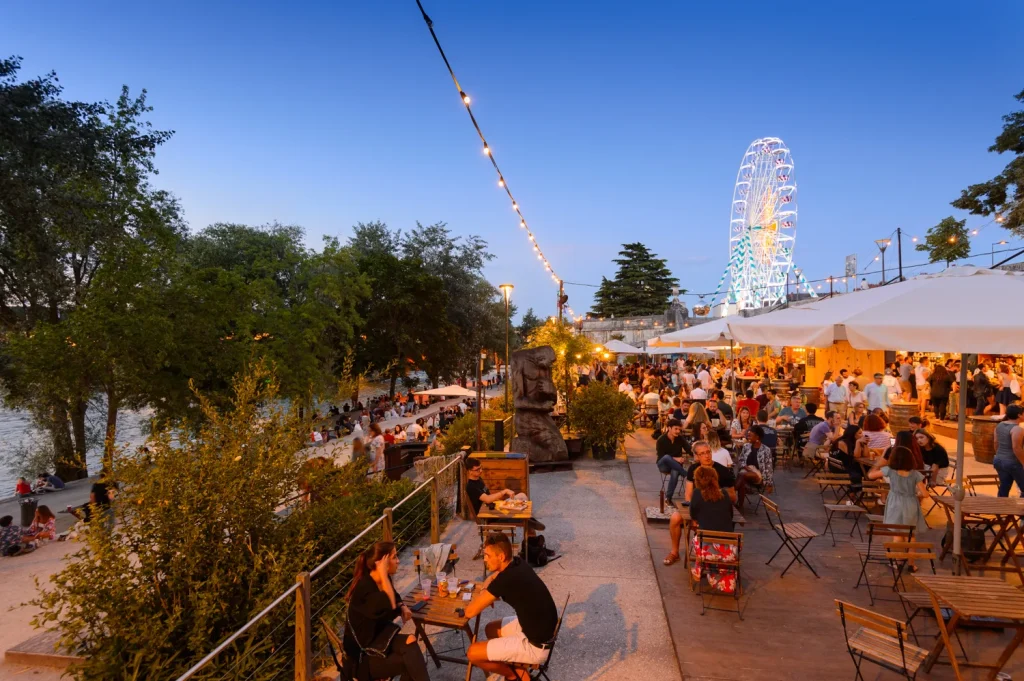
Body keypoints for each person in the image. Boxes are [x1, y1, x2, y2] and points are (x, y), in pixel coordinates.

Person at [465, 533, 559, 680]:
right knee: (491, 629)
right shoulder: (516, 562)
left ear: (501, 557)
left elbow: (469, 612)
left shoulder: (506, 580)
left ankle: (514, 675)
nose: (484, 559)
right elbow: (492, 577)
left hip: (536, 645)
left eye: (488, 556)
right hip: (540, 627)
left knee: (472, 653)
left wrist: (484, 594)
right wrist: (486, 593)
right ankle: (516, 669)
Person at [342, 541, 428, 681]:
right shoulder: (365, 588)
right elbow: (388, 600)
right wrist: (382, 572)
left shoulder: (383, 579)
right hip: (362, 658)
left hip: (379, 640)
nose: (398, 561)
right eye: (394, 557)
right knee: (411, 663)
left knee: (411, 641)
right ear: (381, 562)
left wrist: (402, 606)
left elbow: (393, 596)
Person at [663, 441, 737, 566]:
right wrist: (694, 515)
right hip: (697, 507)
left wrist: (715, 493)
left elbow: (733, 497)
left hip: (716, 509)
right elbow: (688, 494)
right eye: (702, 453)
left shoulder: (723, 471)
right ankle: (674, 552)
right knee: (675, 518)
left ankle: (711, 554)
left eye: (708, 452)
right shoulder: (693, 469)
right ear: (696, 456)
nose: (707, 456)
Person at [688, 466, 739, 592]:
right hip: (730, 553)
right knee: (706, 537)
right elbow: (730, 516)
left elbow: (693, 515)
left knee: (697, 537)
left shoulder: (697, 494)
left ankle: (699, 570)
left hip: (707, 553)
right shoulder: (725, 494)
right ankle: (717, 574)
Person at [464, 458, 546, 535]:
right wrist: (504, 491)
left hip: (493, 507)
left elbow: (488, 496)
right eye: (477, 470)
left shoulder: (478, 479)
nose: (481, 471)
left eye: (481, 468)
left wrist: (501, 501)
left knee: (522, 496)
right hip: (489, 516)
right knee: (525, 516)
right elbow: (487, 499)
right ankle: (528, 523)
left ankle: (529, 521)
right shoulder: (471, 486)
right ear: (469, 471)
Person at [868, 446, 927, 532]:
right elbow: (925, 494)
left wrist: (879, 463)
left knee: (896, 533)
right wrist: (918, 494)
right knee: (909, 534)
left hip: (894, 503)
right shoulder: (916, 474)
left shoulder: (889, 470)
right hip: (911, 504)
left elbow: (870, 475)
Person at [735, 425, 774, 507]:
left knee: (742, 475)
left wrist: (769, 483)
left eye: (750, 435)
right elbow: (741, 460)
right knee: (742, 480)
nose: (748, 437)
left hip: (758, 475)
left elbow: (769, 467)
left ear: (757, 437)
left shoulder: (766, 450)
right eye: (748, 435)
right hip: (746, 471)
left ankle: (732, 490)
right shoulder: (746, 446)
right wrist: (745, 467)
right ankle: (740, 505)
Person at [656, 419, 692, 504]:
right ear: (669, 428)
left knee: (675, 471)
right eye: (676, 429)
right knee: (667, 457)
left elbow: (689, 450)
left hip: (676, 466)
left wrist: (697, 450)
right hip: (663, 464)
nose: (678, 431)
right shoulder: (661, 440)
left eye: (679, 429)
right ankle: (685, 474)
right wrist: (676, 458)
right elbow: (661, 456)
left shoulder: (680, 439)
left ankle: (668, 498)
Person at [993, 404, 1024, 497]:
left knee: (1004, 486)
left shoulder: (999, 425)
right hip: (1012, 462)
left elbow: (995, 442)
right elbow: (1016, 448)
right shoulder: (1017, 429)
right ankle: (1021, 509)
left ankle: (1000, 508)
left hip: (999, 460)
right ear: (1019, 415)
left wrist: (999, 455)